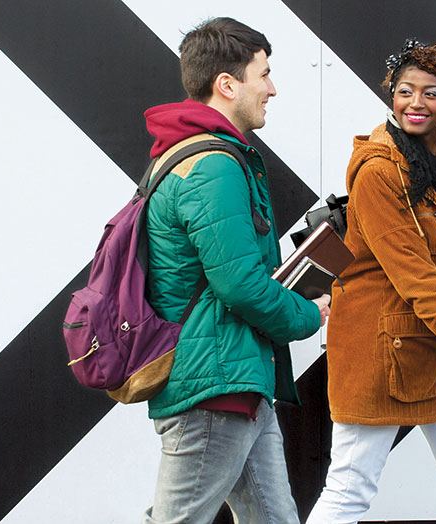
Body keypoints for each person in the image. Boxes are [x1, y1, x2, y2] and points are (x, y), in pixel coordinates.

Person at [305, 40, 436, 524]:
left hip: (435, 347)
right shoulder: (379, 171)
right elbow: (415, 274)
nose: (416, 103)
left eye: (431, 93)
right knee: (349, 491)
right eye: (405, 91)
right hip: (380, 349)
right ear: (391, 96)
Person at [141, 17, 331, 524]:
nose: (272, 88)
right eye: (263, 74)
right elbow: (239, 285)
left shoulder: (193, 155)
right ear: (228, 84)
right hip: (214, 387)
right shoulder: (212, 165)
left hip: (238, 380)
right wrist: (308, 312)